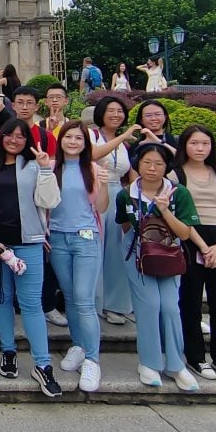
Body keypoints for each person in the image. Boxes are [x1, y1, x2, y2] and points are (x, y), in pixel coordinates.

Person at [0, 119, 63, 397]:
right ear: (0, 138)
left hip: (29, 244)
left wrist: (46, 168)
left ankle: (43, 364)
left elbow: (50, 201)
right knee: (1, 300)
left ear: (28, 139)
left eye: (20, 136)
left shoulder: (35, 165)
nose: (14, 140)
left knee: (31, 305)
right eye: (9, 135)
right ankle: (8, 352)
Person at [115, 142, 199, 392]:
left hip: (170, 253)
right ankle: (149, 363)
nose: (152, 168)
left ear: (167, 166)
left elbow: (185, 233)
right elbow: (124, 225)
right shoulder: (126, 194)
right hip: (137, 253)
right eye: (147, 162)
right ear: (137, 163)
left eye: (159, 164)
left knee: (170, 307)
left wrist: (164, 210)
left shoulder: (178, 193)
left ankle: (176, 364)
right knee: (149, 305)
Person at [173, 125, 216, 382]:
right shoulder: (176, 175)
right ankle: (196, 357)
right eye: (194, 143)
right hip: (191, 239)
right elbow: (180, 214)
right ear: (184, 146)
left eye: (205, 144)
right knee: (190, 302)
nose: (200, 148)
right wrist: (201, 246)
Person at [48, 121, 110, 393]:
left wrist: (105, 185)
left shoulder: (93, 170)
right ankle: (78, 344)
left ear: (86, 143)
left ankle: (93, 359)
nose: (73, 141)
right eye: (68, 137)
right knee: (70, 296)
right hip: (58, 237)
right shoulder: (51, 167)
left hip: (85, 237)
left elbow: (102, 207)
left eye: (78, 138)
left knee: (84, 300)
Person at [90, 96, 142, 325]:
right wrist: (123, 135)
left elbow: (130, 174)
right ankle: (93, 302)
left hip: (119, 196)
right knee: (96, 250)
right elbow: (93, 155)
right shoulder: (92, 135)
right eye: (111, 110)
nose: (116, 115)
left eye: (120, 111)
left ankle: (115, 304)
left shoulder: (125, 145)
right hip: (96, 193)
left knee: (116, 251)